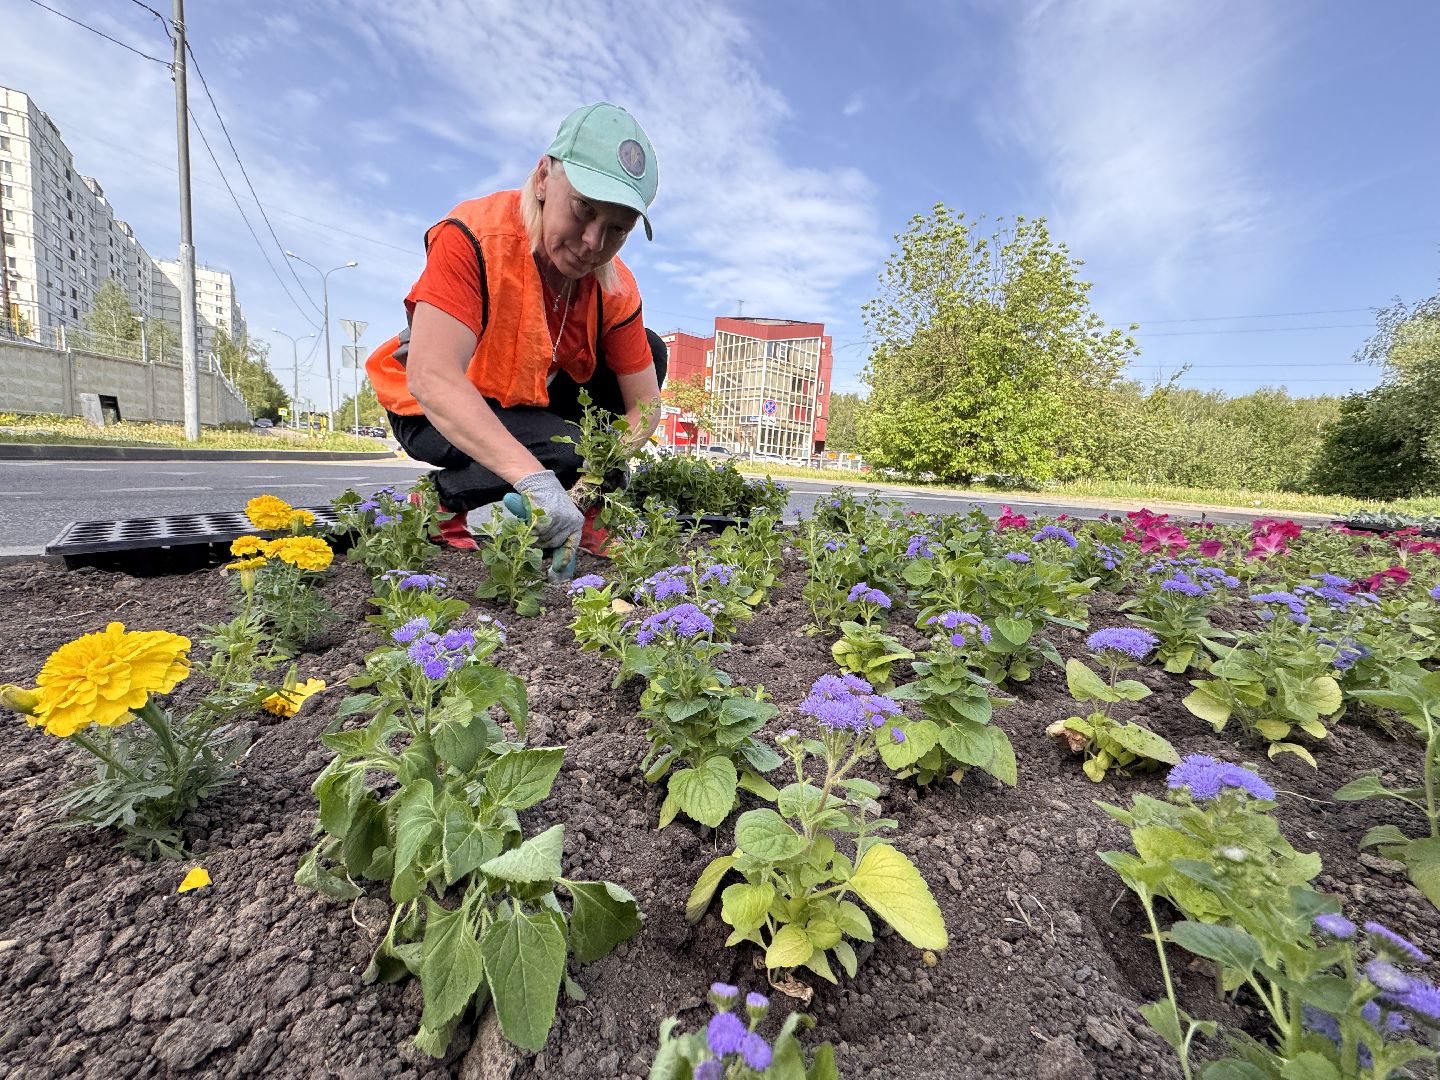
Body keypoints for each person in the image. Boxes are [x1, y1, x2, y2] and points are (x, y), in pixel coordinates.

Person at [366, 102, 667, 552]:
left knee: (649, 352)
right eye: (583, 209)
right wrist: (538, 480)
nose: (593, 243)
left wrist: (592, 479)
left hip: (522, 399)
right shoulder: (474, 235)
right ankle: (439, 505)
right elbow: (433, 376)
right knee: (566, 451)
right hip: (429, 406)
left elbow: (645, 405)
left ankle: (566, 500)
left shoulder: (615, 286)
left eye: (617, 229)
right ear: (544, 177)